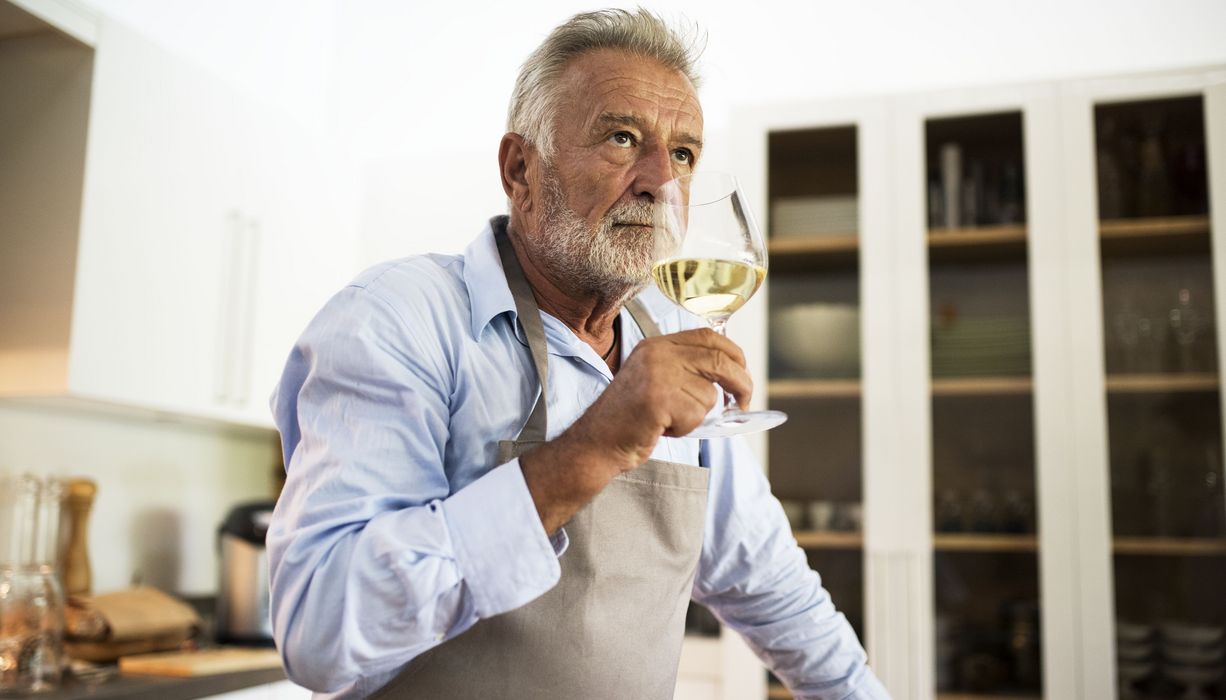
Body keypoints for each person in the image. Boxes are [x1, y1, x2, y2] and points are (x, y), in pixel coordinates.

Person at [267, 8, 889, 700]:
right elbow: (318, 635)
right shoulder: (395, 320)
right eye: (623, 138)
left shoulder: (670, 341)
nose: (661, 181)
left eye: (684, 154)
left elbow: (773, 588)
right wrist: (596, 445)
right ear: (520, 168)